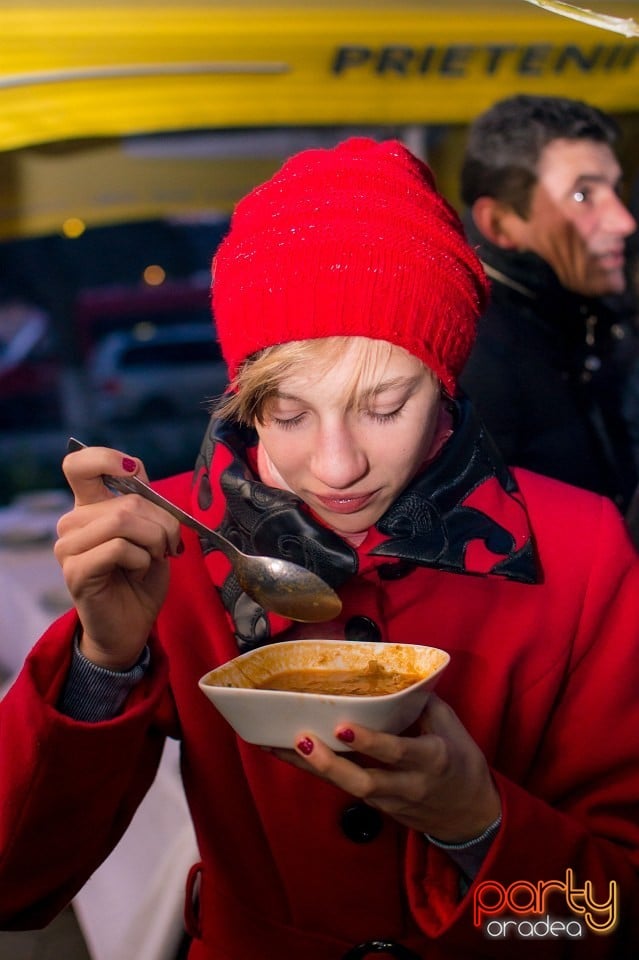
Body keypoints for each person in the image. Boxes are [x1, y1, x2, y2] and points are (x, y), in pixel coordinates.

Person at [1, 138, 638, 960]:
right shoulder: (168, 540)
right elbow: (17, 888)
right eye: (288, 414)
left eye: (384, 405)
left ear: (443, 380)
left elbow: (607, 924)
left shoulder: (581, 551)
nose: (337, 468)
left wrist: (476, 823)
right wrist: (104, 659)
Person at [458, 93, 639, 513]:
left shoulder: (588, 316)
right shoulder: (471, 357)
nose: (624, 221)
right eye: (583, 196)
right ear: (501, 224)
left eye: (615, 189)